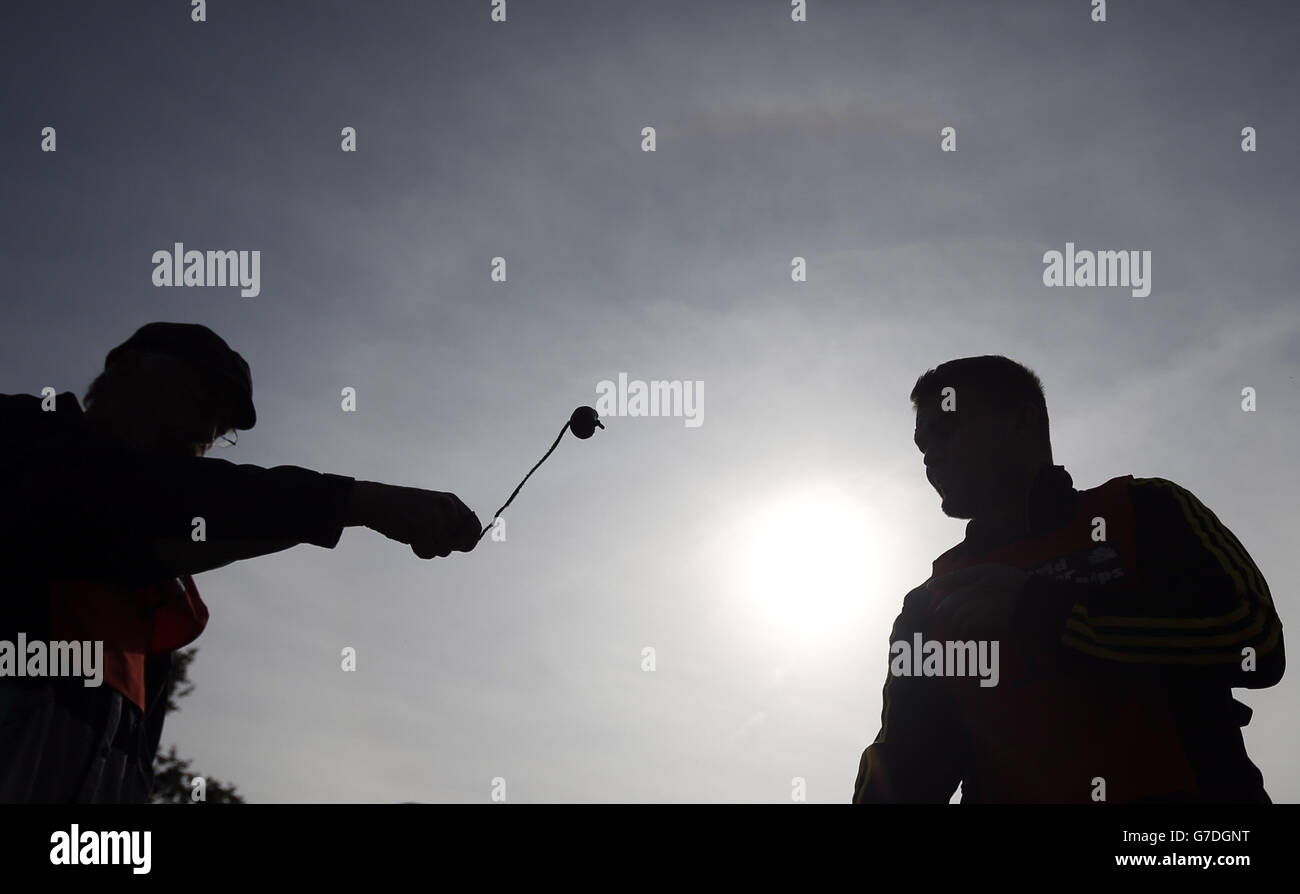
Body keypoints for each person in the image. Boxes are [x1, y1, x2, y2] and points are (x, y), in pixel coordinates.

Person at [0, 321, 482, 802]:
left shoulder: (158, 606)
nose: (205, 432)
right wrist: (359, 502)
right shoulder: (23, 438)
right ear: (125, 372)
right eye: (196, 400)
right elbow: (127, 497)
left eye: (221, 426)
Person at [854, 355, 1285, 803]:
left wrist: (1044, 611)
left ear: (1024, 419)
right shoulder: (929, 603)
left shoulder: (1147, 509)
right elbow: (907, 764)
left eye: (946, 431)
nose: (932, 458)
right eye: (922, 448)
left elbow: (1257, 641)